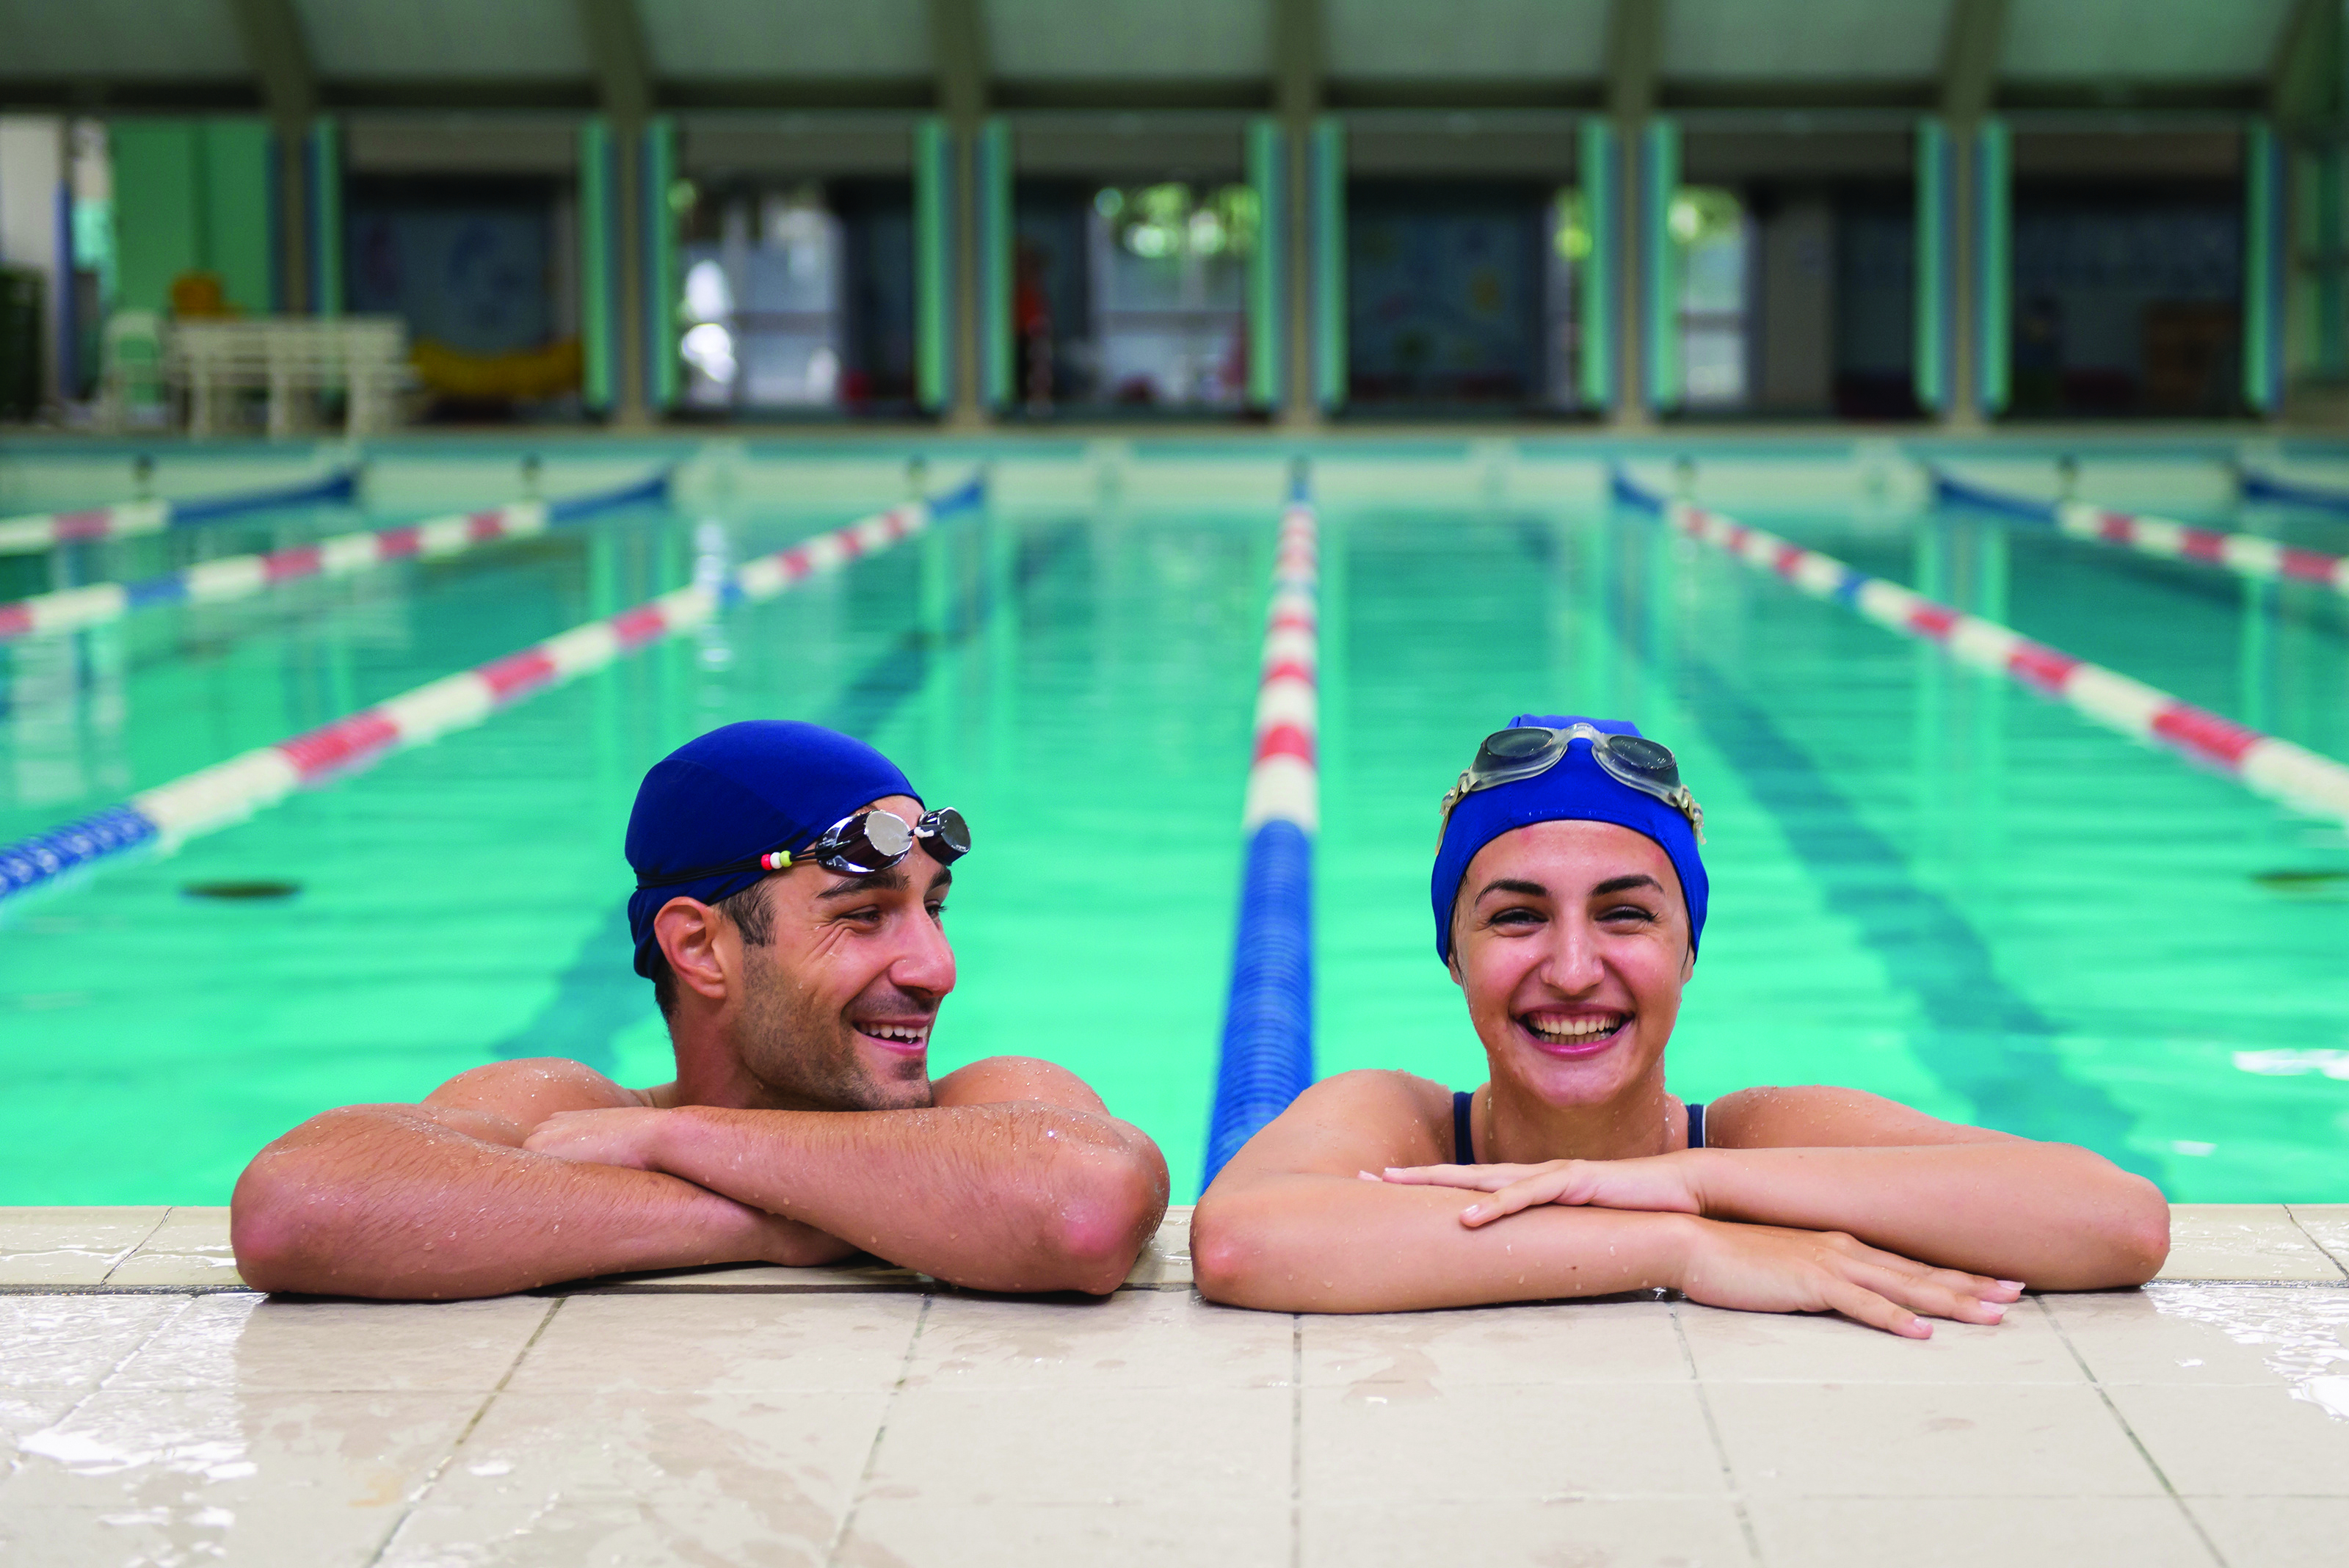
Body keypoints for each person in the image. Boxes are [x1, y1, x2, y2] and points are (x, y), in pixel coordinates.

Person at [1191, 716, 2168, 1336]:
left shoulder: (1759, 1138)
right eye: (1516, 915)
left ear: (1689, 951)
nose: (1573, 971)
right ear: (1453, 955)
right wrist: (1680, 1244)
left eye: (1625, 914)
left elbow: (2116, 1221)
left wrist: (1688, 1180)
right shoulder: (1393, 1122)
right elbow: (1239, 1242)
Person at [231, 722, 1169, 1301]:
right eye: (863, 916)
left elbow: (1084, 1206)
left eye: (931, 909)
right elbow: (296, 1210)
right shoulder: (570, 1102)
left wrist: (688, 1145)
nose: (936, 968)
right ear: (696, 948)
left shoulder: (987, 1102)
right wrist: (768, 1225)